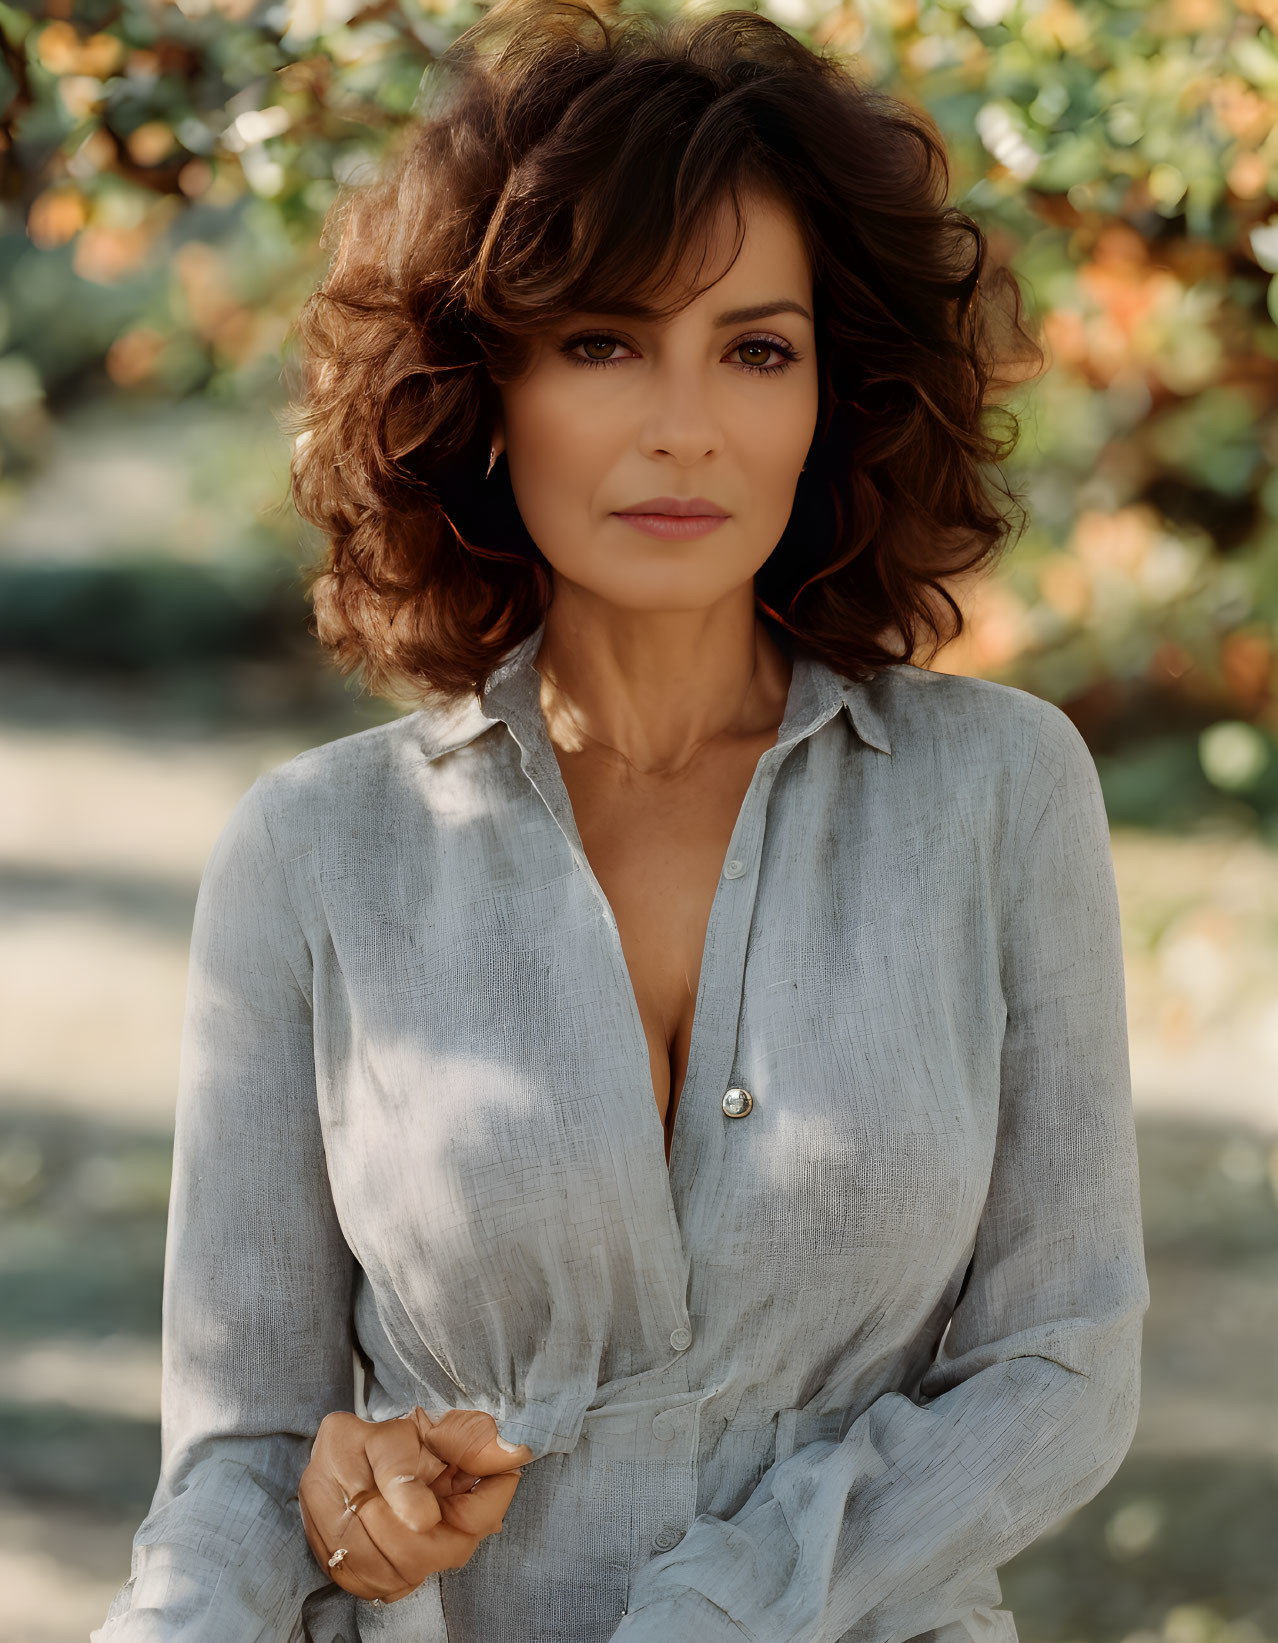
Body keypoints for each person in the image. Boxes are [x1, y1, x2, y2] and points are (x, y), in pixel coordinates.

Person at [94, 2, 1150, 1640]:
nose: (684, 425)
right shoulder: (313, 853)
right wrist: (335, 1508)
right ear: (482, 389)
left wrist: (721, 1611)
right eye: (600, 340)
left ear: (833, 399)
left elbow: (1059, 1365)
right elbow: (237, 1463)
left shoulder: (999, 795)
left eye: (754, 347)